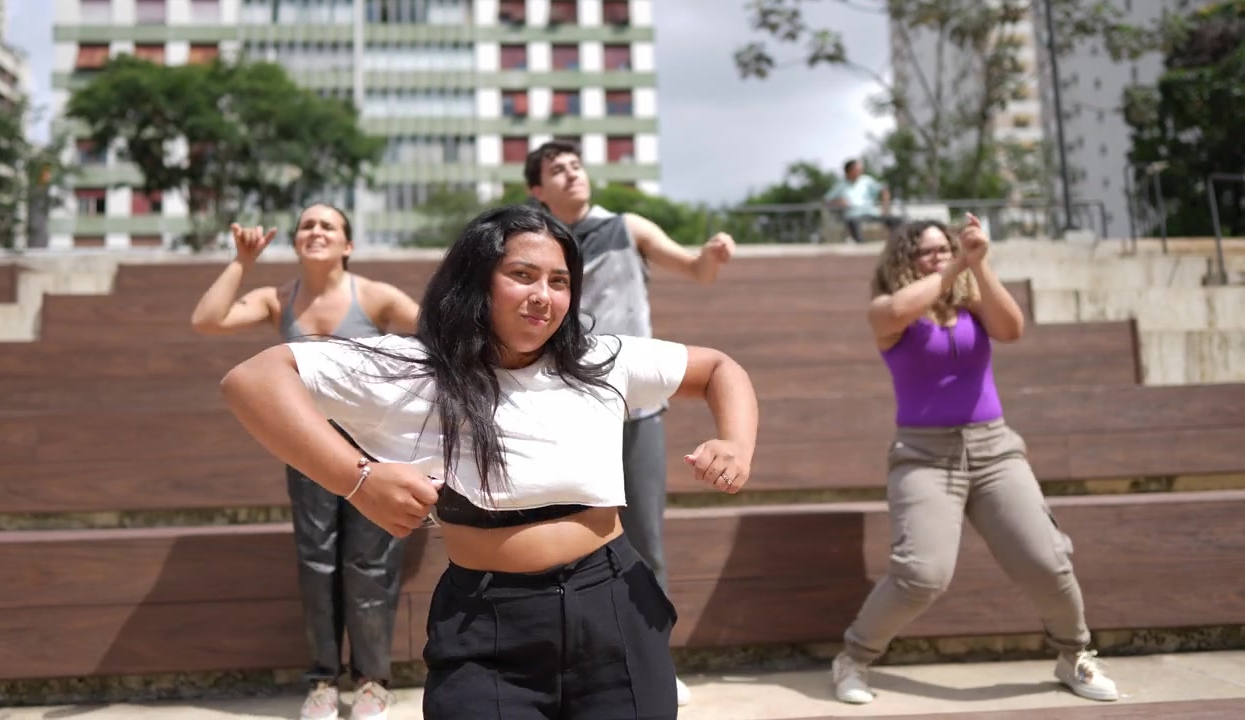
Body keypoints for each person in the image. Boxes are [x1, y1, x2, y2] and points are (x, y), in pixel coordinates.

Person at [218, 204, 760, 720]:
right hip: (486, 623)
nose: (542, 295)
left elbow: (719, 369)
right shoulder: (414, 368)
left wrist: (735, 443)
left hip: (614, 606)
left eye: (560, 281)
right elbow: (254, 379)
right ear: (476, 280)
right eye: (522, 275)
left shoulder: (600, 360)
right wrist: (358, 479)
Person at [830, 215, 1119, 705]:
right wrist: (957, 265)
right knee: (922, 575)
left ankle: (1074, 655)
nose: (938, 257)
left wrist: (979, 265)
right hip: (923, 457)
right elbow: (897, 309)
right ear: (904, 259)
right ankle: (852, 659)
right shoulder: (886, 310)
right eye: (927, 251)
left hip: (994, 450)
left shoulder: (971, 302)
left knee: (1046, 561)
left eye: (945, 248)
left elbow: (1012, 329)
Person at [523, 140, 736, 706]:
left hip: (634, 409)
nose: (572, 174)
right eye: (557, 170)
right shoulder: (537, 243)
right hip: (559, 410)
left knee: (644, 542)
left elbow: (696, 270)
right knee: (563, 544)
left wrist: (711, 254)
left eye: (576, 165)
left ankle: (653, 664)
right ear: (538, 190)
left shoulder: (628, 227)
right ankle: (571, 670)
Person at [191, 203, 420, 720]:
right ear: (295, 242)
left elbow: (436, 332)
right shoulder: (278, 299)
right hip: (308, 447)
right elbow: (207, 320)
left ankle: (372, 683)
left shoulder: (376, 296)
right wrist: (242, 262)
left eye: (328, 226)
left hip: (371, 448)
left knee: (370, 563)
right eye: (307, 225)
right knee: (317, 563)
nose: (316, 231)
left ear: (348, 244)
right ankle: (322, 682)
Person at [823, 159, 903, 244]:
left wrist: (885, 208)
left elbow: (884, 191)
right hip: (853, 215)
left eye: (860, 169)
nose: (859, 172)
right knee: (853, 222)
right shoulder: (840, 185)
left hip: (871, 213)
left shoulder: (866, 180)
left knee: (897, 220)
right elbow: (826, 201)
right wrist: (838, 202)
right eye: (856, 169)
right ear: (848, 171)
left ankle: (899, 243)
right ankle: (862, 246)